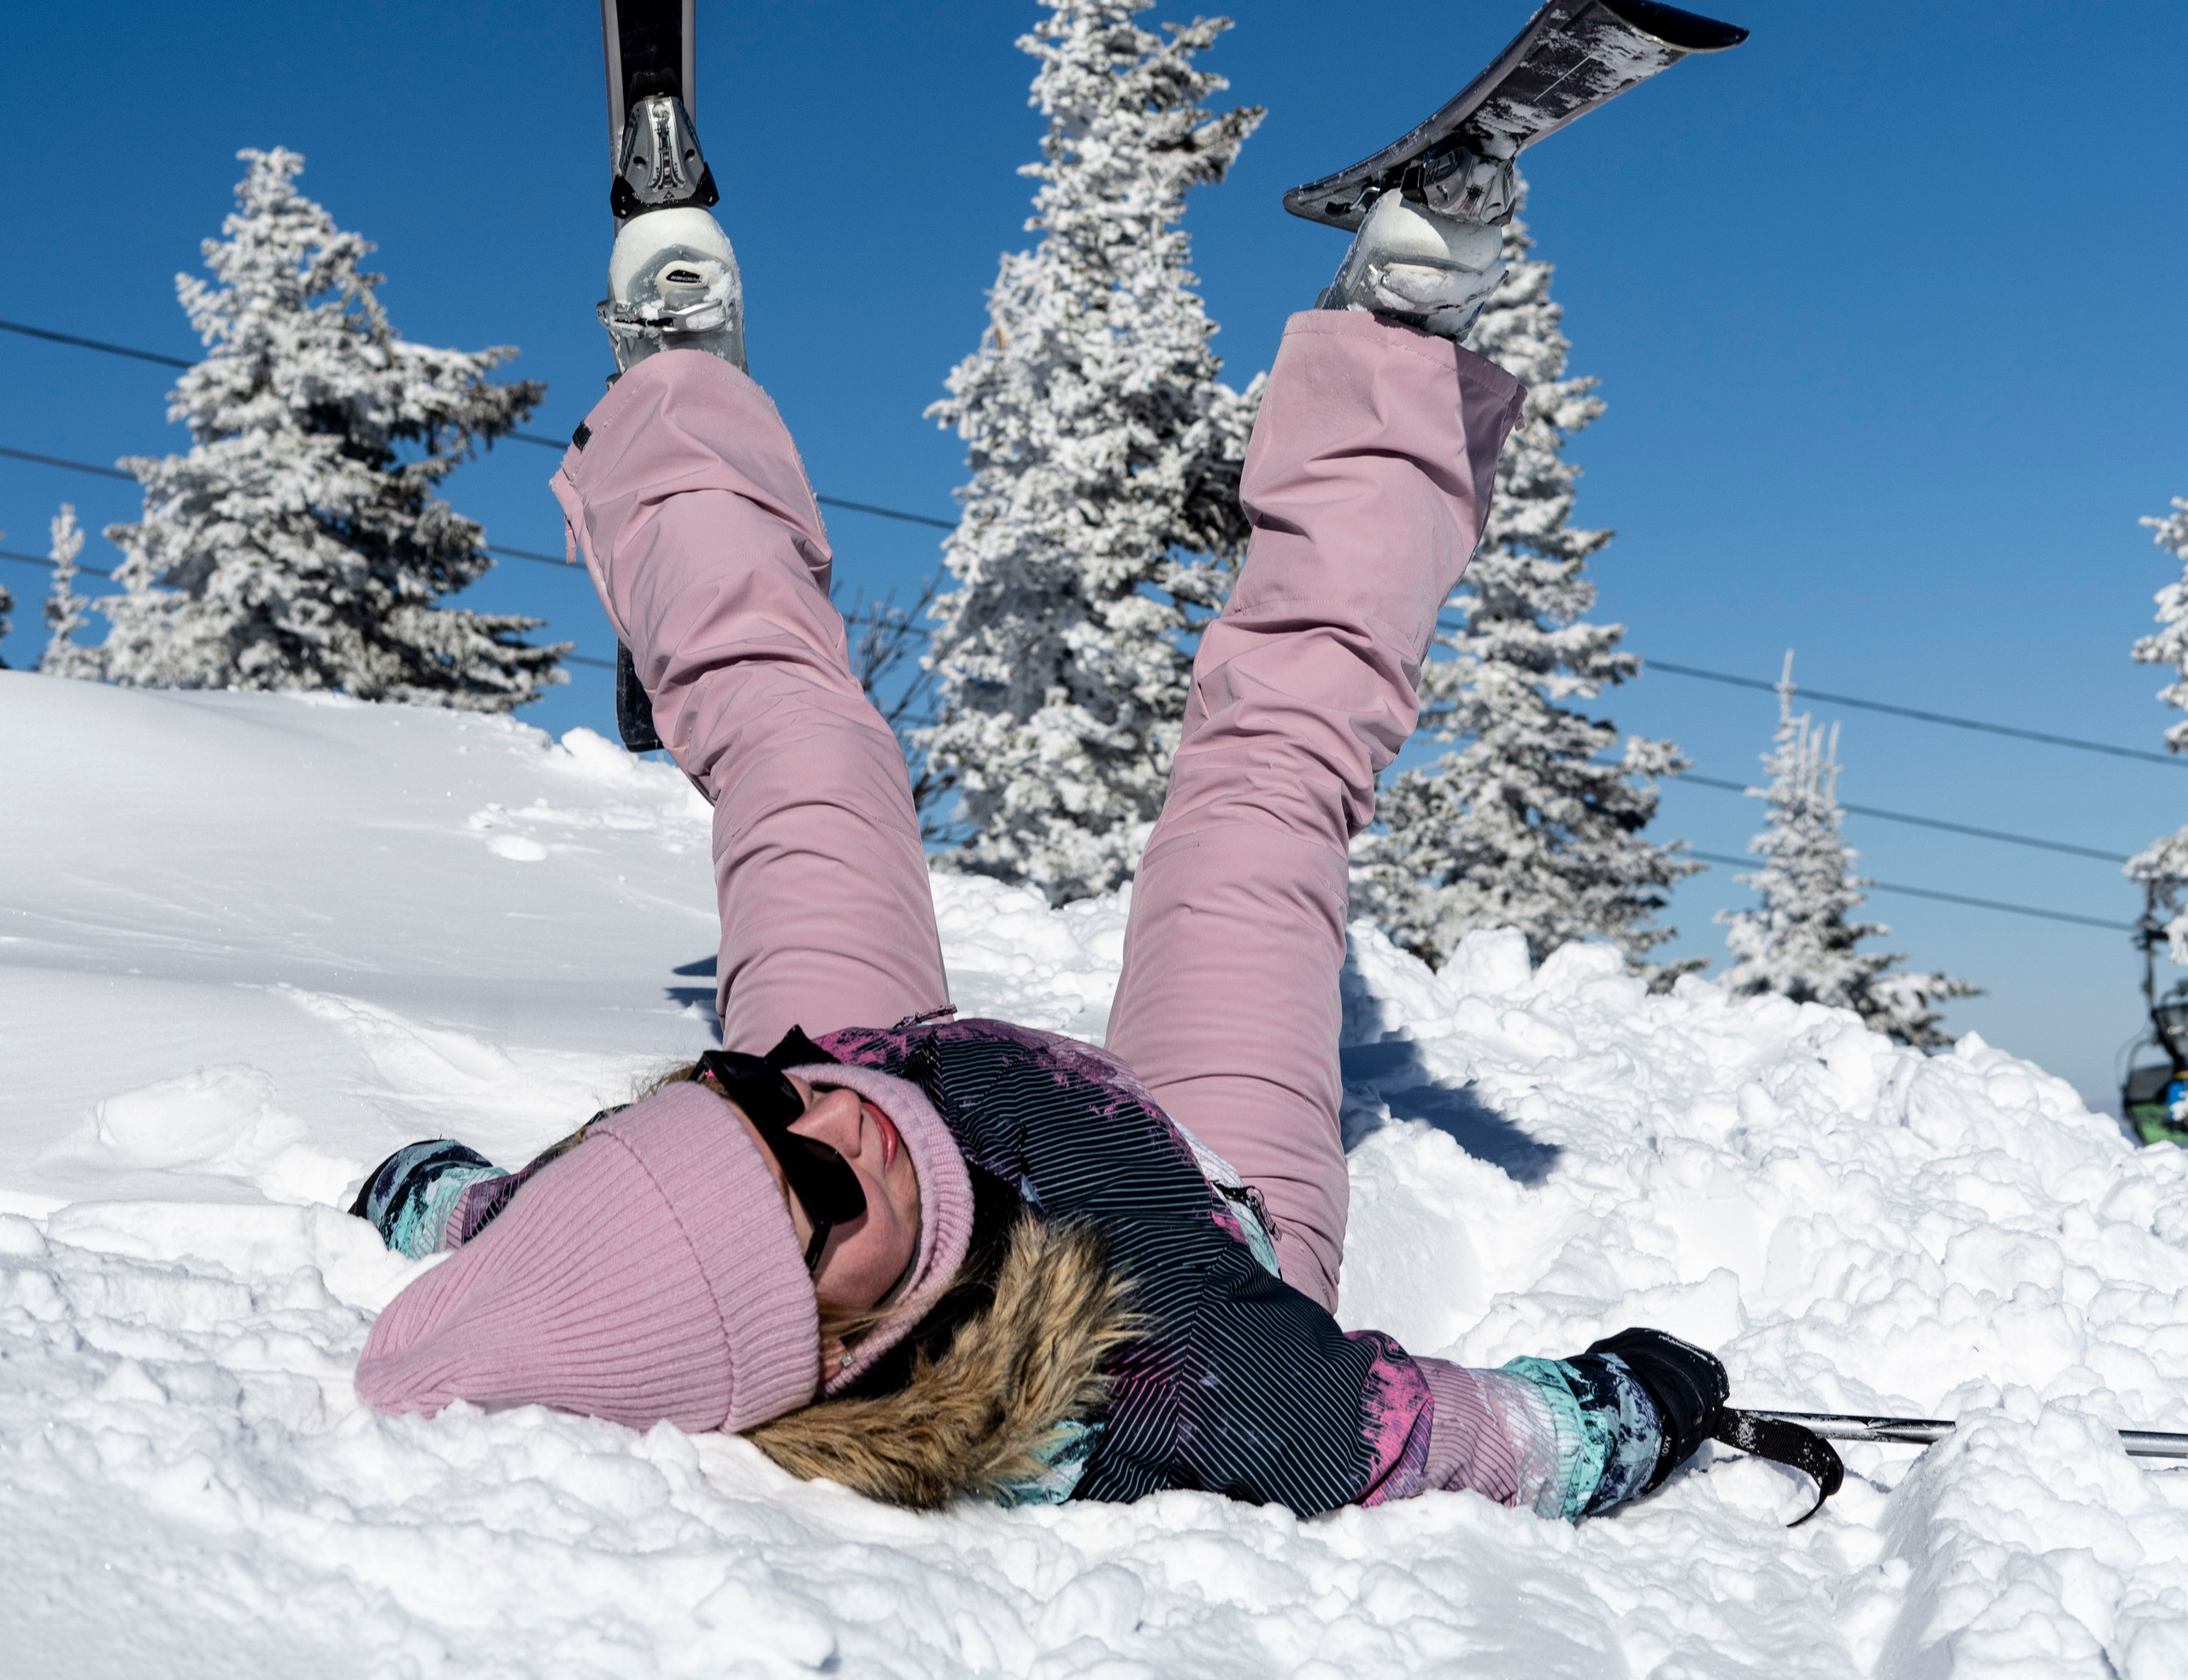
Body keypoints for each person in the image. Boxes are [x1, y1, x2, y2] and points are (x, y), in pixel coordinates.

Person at [353, 173, 1727, 1517]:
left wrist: (445, 1205)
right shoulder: (1184, 1368)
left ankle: (677, 396)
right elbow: (1428, 1442)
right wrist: (1621, 1410)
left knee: (802, 756)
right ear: (839, 1351)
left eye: (753, 1098)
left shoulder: (817, 1119)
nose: (824, 1114)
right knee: (1263, 794)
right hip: (1202, 1187)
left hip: (954, 1088)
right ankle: (1398, 349)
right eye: (815, 1180)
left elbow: (566, 1222)